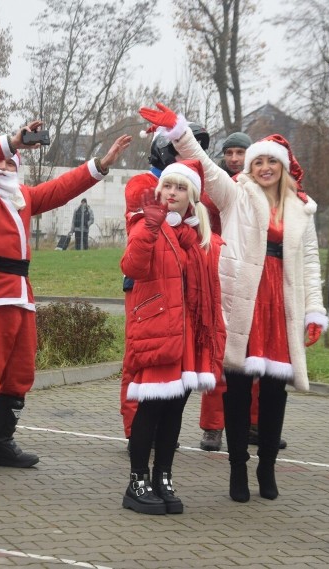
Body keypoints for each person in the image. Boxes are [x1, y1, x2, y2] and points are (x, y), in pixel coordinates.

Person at [140, 103, 328, 502]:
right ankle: (238, 468)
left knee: (276, 393)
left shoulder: (302, 210)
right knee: (238, 389)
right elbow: (205, 167)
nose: (263, 168)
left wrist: (315, 310)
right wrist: (179, 131)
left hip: (283, 306)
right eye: (257, 162)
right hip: (245, 301)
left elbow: (310, 262)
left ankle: (266, 468)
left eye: (269, 163)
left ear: (282, 167)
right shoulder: (236, 196)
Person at [0, 120, 131, 475]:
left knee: (19, 376)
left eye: (9, 162)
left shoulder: (23, 197)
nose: (3, 166)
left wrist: (101, 164)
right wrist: (10, 142)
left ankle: (0, 444)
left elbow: (61, 189)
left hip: (20, 295)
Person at [121, 159, 225, 515]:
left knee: (174, 411)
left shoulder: (194, 235)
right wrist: (150, 226)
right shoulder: (144, 223)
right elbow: (132, 267)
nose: (172, 193)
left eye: (181, 188)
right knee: (150, 409)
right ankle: (137, 482)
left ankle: (163, 476)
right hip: (158, 332)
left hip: (186, 336)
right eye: (168, 186)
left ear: (191, 197)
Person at [119, 126, 210, 449]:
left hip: (178, 297)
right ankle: (135, 432)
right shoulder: (144, 184)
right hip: (146, 287)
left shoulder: (192, 225)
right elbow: (137, 247)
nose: (172, 191)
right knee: (141, 361)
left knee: (174, 383)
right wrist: (161, 216)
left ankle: (161, 452)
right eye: (182, 149)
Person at [199, 131, 287, 454]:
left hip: (259, 283)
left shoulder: (269, 192)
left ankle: (256, 425)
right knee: (223, 358)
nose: (234, 158)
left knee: (259, 359)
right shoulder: (224, 188)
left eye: (240, 153)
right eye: (230, 153)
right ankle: (212, 428)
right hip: (225, 275)